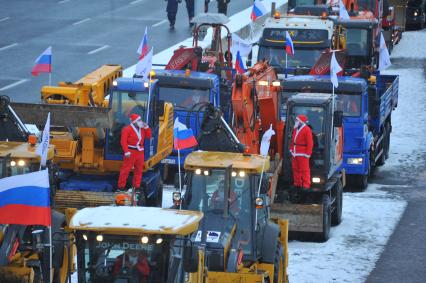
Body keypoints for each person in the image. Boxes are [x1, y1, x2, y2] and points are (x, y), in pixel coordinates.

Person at [117, 114, 152, 197]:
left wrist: (147, 127)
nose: (141, 122)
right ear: (134, 122)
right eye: (139, 120)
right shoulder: (127, 129)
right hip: (131, 151)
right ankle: (121, 186)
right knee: (126, 169)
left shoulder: (142, 129)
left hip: (140, 152)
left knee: (139, 170)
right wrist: (126, 151)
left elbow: (149, 136)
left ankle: (136, 187)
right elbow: (123, 141)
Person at [290, 114, 313, 189]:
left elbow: (310, 143)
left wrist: (308, 153)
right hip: (295, 152)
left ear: (301, 121)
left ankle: (306, 184)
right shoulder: (296, 129)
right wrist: (291, 149)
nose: (296, 121)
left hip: (303, 153)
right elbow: (292, 140)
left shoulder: (307, 130)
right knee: (295, 168)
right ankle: (297, 183)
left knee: (304, 169)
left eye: (297, 120)